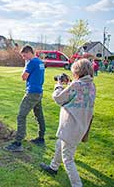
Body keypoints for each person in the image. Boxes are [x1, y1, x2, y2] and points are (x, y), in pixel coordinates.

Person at [40, 59, 96, 187]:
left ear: (77, 71)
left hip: (71, 127)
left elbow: (58, 98)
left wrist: (59, 85)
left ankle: (77, 184)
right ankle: (53, 167)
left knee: (68, 159)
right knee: (59, 144)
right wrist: (70, 83)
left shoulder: (76, 85)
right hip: (81, 126)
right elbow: (77, 93)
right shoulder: (91, 86)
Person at [5, 45, 46, 152]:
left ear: (29, 53)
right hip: (39, 92)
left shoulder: (31, 62)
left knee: (21, 116)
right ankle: (41, 138)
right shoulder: (40, 62)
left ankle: (18, 143)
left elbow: (23, 77)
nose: (23, 58)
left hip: (32, 93)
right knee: (39, 115)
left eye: (24, 56)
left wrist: (26, 65)